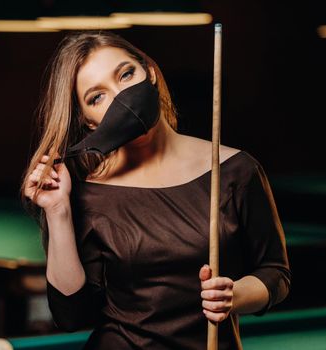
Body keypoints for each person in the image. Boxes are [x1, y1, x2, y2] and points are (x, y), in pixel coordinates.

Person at [20, 31, 291, 350]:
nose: (121, 97)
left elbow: (276, 275)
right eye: (97, 96)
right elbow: (72, 316)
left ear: (149, 72)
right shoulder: (86, 193)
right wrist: (58, 211)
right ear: (89, 121)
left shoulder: (235, 170)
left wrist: (235, 295)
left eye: (125, 74)